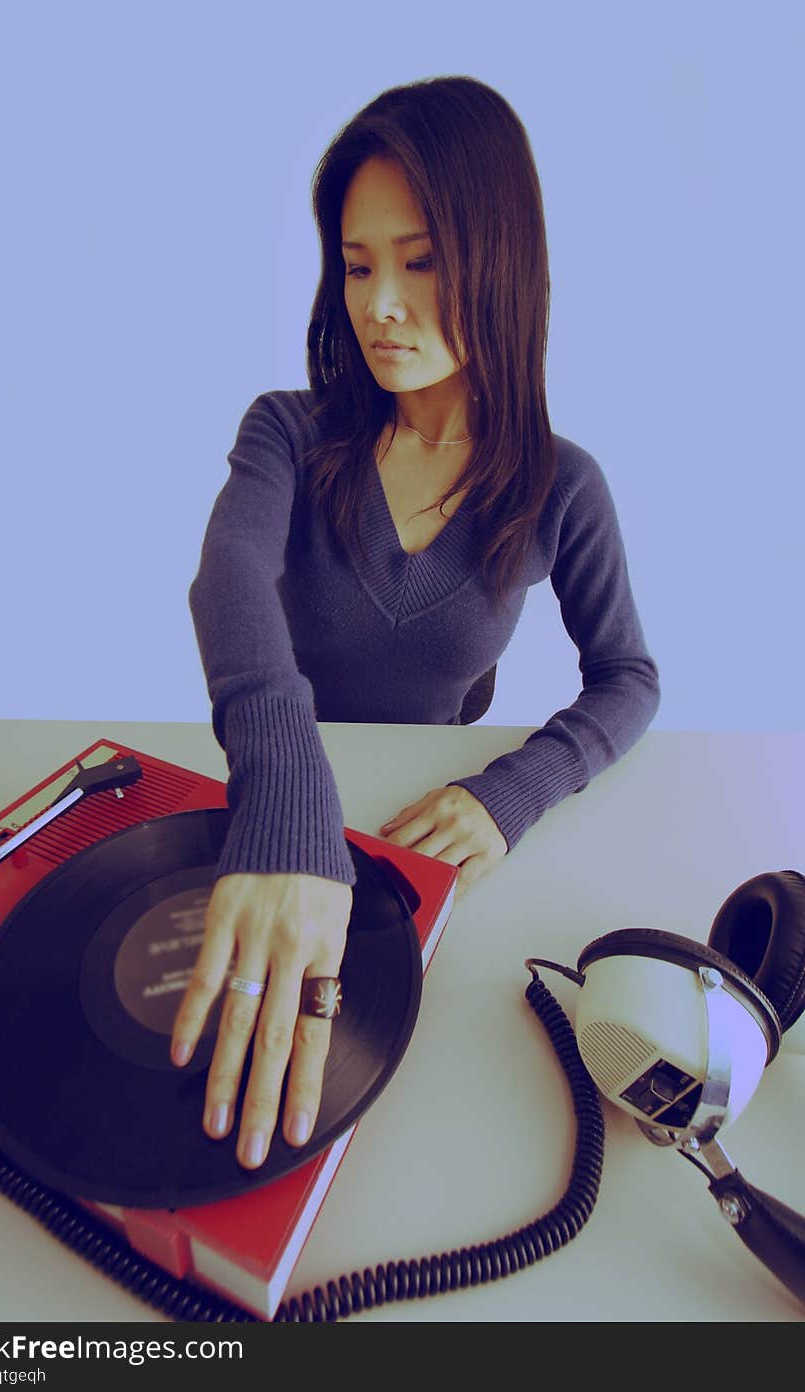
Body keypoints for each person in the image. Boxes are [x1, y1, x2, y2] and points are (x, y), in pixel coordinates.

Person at [171, 75, 660, 1173]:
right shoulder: (288, 433)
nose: (379, 302)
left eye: (420, 259)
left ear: (498, 258)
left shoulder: (561, 487)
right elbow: (229, 576)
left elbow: (627, 676)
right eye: (357, 264)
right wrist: (286, 784)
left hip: (426, 851)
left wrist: (513, 792)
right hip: (273, 807)